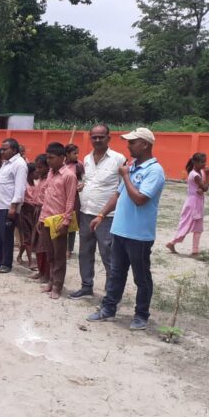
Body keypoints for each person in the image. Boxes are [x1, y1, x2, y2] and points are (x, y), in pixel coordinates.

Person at [87, 128, 166, 330]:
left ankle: (141, 315)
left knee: (141, 277)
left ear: (145, 144)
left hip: (138, 235)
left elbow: (140, 199)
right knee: (116, 272)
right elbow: (118, 195)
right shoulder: (131, 167)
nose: (128, 146)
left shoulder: (154, 171)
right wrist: (101, 215)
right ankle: (108, 308)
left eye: (132, 142)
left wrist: (125, 176)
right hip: (120, 230)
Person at [68, 125, 126, 299]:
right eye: (94, 137)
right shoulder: (86, 159)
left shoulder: (118, 159)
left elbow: (123, 187)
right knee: (85, 252)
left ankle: (111, 293)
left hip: (107, 216)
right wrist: (82, 185)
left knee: (108, 254)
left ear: (109, 138)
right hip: (86, 213)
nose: (98, 140)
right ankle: (86, 286)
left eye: (101, 137)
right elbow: (89, 181)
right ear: (90, 138)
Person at [37, 143, 78, 299]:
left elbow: (70, 200)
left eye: (51, 158)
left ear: (62, 157)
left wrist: (66, 220)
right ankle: (51, 282)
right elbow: (47, 197)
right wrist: (41, 218)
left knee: (59, 255)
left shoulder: (69, 175)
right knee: (50, 254)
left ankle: (57, 286)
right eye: (47, 157)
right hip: (46, 218)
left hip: (59, 220)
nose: (48, 161)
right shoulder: (50, 174)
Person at [0, 138, 28, 273]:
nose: (2, 151)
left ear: (14, 150)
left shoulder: (19, 164)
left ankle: (6, 264)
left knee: (6, 236)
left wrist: (13, 207)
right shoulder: (6, 163)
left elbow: (20, 188)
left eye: (5, 149)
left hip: (7, 206)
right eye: (1, 149)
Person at [167, 153, 209, 255]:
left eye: (205, 161)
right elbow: (205, 188)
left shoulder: (200, 172)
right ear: (195, 162)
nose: (204, 164)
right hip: (192, 204)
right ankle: (172, 242)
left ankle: (195, 251)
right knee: (186, 225)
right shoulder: (194, 175)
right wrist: (208, 175)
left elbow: (202, 186)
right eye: (202, 162)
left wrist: (200, 187)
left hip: (198, 202)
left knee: (198, 227)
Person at [63, 143, 85, 259]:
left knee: (72, 222)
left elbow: (84, 180)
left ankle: (69, 249)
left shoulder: (79, 166)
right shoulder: (61, 165)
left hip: (74, 197)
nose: (77, 155)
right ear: (67, 154)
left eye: (77, 153)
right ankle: (61, 246)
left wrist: (82, 185)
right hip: (62, 197)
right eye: (74, 153)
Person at [17, 162, 38, 268]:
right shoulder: (24, 184)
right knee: (27, 236)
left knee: (30, 236)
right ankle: (30, 261)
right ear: (30, 173)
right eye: (35, 171)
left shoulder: (35, 183)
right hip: (25, 210)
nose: (37, 173)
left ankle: (20, 255)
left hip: (33, 211)